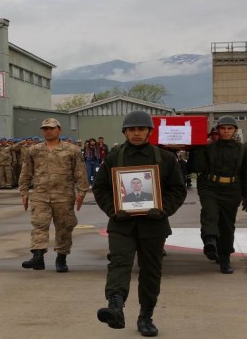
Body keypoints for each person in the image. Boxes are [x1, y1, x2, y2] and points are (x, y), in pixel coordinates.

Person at [92, 110, 187, 336]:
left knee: (150, 272)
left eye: (141, 129)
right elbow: (101, 188)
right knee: (119, 262)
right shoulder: (114, 157)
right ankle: (115, 306)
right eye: (131, 129)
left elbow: (177, 189)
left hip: (154, 225)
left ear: (149, 131)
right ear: (125, 132)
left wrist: (164, 210)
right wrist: (113, 210)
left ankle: (146, 316)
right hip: (121, 224)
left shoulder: (164, 158)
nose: (136, 133)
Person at [18, 118, 89, 273]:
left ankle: (61, 258)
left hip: (63, 196)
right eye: (45, 129)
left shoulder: (72, 150)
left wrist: (81, 193)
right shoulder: (34, 150)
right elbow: (26, 172)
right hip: (40, 195)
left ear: (59, 130)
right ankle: (38, 257)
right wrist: (24, 192)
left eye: (51, 128)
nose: (48, 131)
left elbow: (80, 172)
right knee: (39, 224)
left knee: (64, 228)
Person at [192, 116, 247, 274]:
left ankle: (224, 258)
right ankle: (210, 242)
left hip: (232, 189)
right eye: (223, 128)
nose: (226, 131)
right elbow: (196, 167)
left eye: (229, 128)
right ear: (217, 131)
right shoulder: (209, 148)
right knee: (210, 214)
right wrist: (198, 147)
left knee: (227, 225)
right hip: (210, 187)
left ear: (235, 130)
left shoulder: (243, 149)